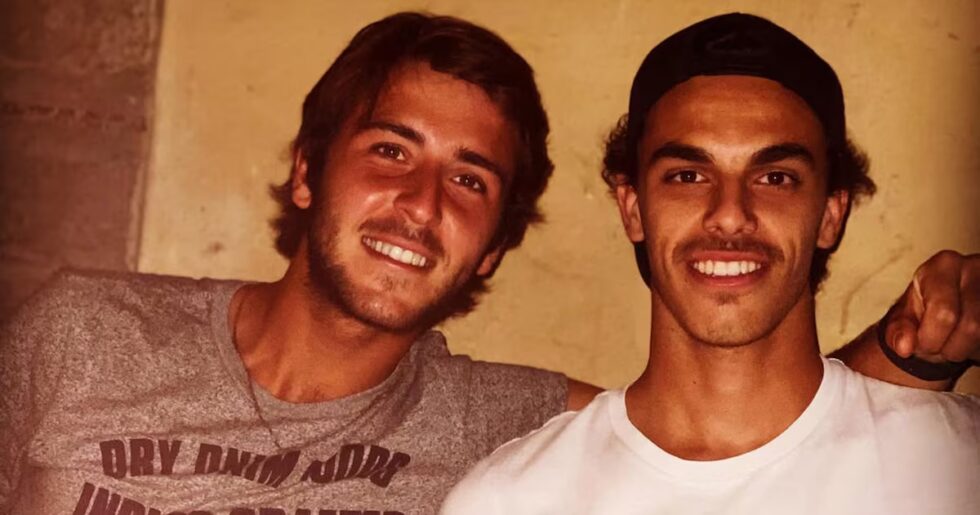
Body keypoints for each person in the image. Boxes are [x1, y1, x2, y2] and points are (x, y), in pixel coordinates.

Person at [0, 11, 976, 515]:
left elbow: (738, 428)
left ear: (496, 242)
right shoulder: (78, 331)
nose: (422, 204)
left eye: (469, 180)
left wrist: (908, 357)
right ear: (305, 169)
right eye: (390, 150)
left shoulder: (498, 427)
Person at [441, 13, 979, 515]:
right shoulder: (510, 501)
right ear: (633, 209)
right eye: (688, 176)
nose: (729, 213)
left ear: (830, 216)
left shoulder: (956, 465)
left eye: (775, 178)